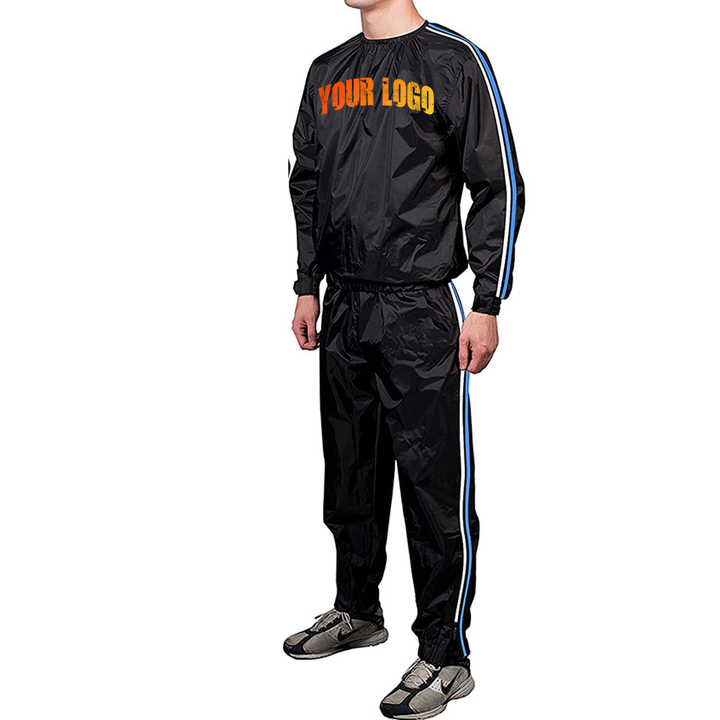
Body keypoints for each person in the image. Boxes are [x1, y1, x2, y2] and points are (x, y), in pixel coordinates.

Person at [286, 0, 524, 716]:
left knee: (432, 485)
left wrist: (487, 300)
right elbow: (306, 182)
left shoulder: (454, 62)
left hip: (420, 306)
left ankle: (445, 654)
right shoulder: (327, 70)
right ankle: (357, 609)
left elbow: (499, 183)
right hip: (344, 302)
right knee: (350, 469)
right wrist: (306, 284)